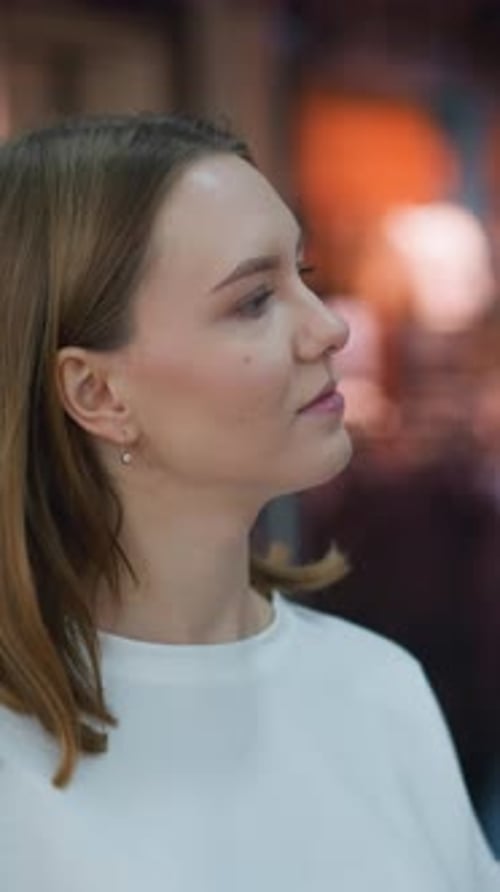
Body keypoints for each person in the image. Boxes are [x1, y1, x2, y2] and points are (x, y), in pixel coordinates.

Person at [0, 113, 497, 892]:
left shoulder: (379, 689)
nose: (330, 327)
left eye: (307, 272)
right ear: (97, 391)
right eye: (255, 300)